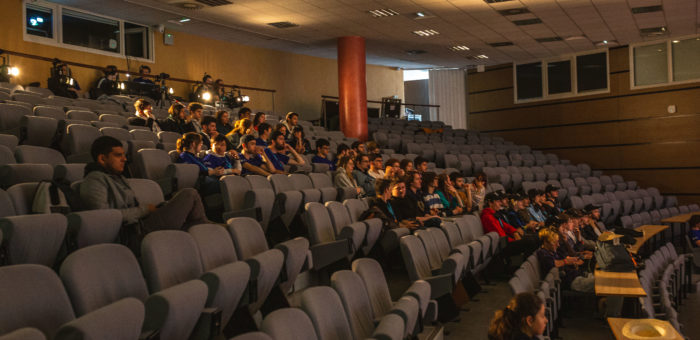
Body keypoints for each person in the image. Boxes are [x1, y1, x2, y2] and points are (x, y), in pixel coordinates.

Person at [80, 136, 209, 234]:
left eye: (124, 155)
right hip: (135, 232)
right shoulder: (94, 180)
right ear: (102, 159)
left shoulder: (117, 178)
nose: (124, 159)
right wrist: (146, 209)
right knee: (189, 194)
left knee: (194, 227)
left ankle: (207, 231)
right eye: (118, 155)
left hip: (143, 222)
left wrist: (158, 208)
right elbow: (104, 217)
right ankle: (208, 229)